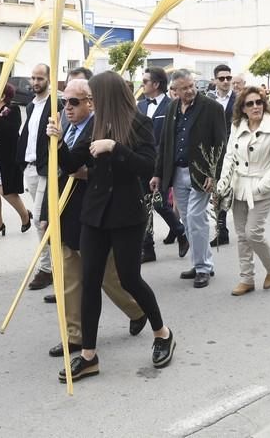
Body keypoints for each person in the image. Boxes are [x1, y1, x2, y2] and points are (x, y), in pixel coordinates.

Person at [47, 71, 175, 381]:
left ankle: (162, 333)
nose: (89, 102)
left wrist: (114, 147)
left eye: (93, 96)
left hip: (127, 215)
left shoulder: (139, 122)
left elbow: (147, 166)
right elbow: (72, 163)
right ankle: (89, 356)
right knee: (90, 282)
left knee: (130, 279)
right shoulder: (94, 124)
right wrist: (59, 141)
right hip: (94, 215)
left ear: (107, 96)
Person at [41, 78, 146, 355]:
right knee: (70, 279)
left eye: (74, 102)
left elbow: (131, 169)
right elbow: (58, 171)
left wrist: (93, 171)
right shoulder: (65, 128)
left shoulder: (105, 126)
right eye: (65, 102)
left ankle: (138, 310)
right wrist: (46, 212)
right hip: (65, 212)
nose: (68, 108)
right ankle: (75, 337)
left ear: (91, 101)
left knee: (110, 277)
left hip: (97, 212)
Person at [152, 69, 227, 288]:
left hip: (201, 174)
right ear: (173, 90)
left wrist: (213, 174)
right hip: (177, 172)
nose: (190, 90)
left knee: (196, 218)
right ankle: (201, 263)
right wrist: (158, 173)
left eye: (192, 85)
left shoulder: (212, 108)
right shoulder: (172, 107)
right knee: (188, 220)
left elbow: (220, 144)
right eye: (184, 88)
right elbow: (164, 143)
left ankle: (203, 267)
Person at [216, 86, 270, 296]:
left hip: (261, 187)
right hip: (238, 187)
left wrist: (262, 186)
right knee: (241, 235)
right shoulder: (237, 126)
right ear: (243, 108)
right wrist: (223, 183)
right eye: (250, 103)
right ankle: (246, 278)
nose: (255, 106)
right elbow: (229, 156)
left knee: (252, 233)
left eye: (259, 102)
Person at [140, 66, 188, 263]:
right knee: (145, 204)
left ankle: (181, 232)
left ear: (156, 84)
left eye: (145, 82)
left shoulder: (172, 106)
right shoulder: (140, 106)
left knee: (158, 203)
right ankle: (148, 247)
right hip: (142, 161)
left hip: (160, 163)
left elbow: (172, 137)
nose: (142, 85)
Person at [17, 63, 58, 290]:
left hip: (47, 168)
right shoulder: (31, 105)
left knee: (40, 219)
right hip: (31, 168)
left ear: (49, 79)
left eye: (39, 78)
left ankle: (46, 269)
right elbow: (29, 135)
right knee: (46, 221)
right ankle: (53, 265)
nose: (35, 82)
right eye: (33, 78)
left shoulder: (56, 104)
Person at [0, 84, 32, 237]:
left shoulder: (13, 110)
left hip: (8, 156)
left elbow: (13, 130)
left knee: (5, 190)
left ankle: (24, 215)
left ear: (3, 95)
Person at [208, 64, 236, 247]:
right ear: (215, 80)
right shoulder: (208, 100)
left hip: (234, 151)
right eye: (222, 78)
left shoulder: (239, 100)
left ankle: (246, 228)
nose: (226, 81)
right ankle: (221, 230)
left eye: (228, 78)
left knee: (233, 191)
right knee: (218, 191)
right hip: (214, 152)